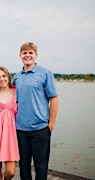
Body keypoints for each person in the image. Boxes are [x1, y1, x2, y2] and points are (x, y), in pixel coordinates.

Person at [13, 42, 59, 180]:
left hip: (40, 128)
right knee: (24, 165)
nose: (27, 55)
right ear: (20, 55)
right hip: (21, 129)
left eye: (30, 53)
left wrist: (51, 124)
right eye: (24, 53)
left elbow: (54, 98)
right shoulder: (17, 77)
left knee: (41, 166)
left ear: (36, 55)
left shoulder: (45, 74)